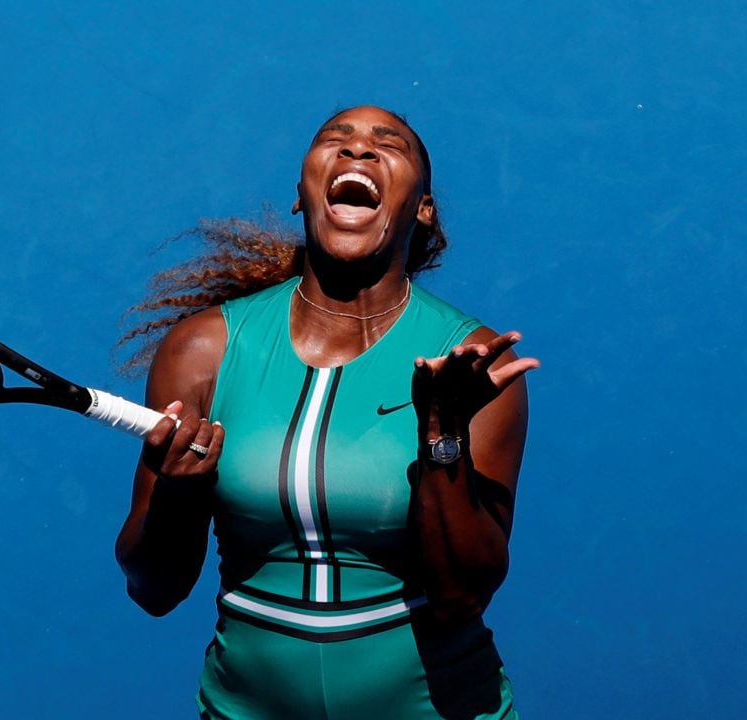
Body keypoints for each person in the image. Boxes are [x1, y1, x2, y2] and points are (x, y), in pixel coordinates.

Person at [116, 105, 538, 719]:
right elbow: (151, 589)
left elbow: (461, 597)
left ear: (423, 208)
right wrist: (178, 498)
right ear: (301, 195)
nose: (358, 151)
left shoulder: (472, 362)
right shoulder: (202, 349)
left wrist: (443, 440)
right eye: (334, 140)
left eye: (387, 143)